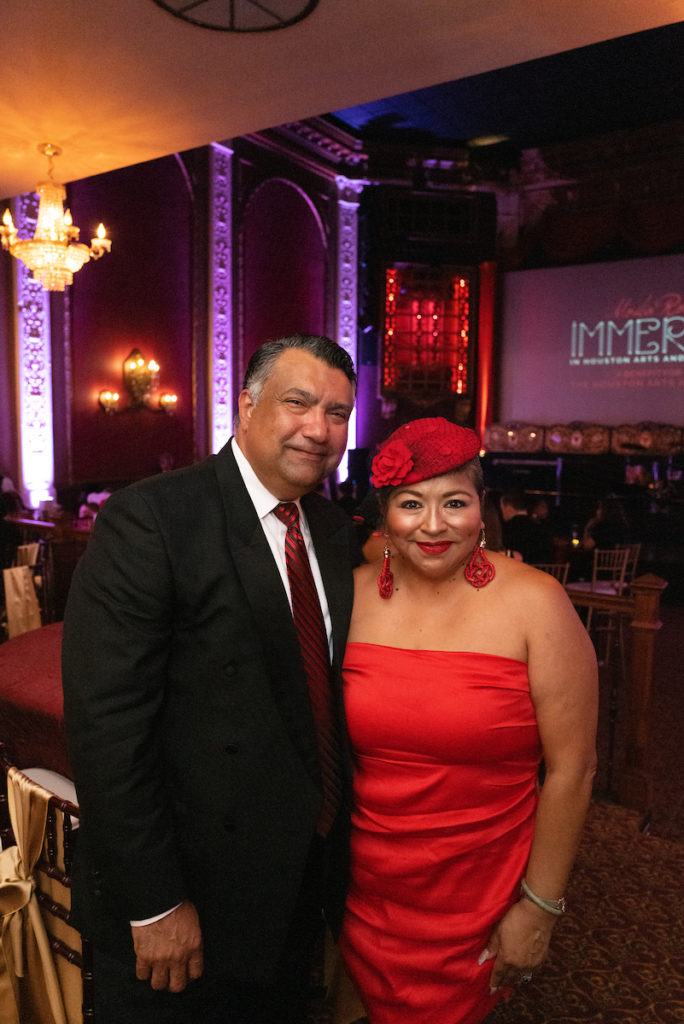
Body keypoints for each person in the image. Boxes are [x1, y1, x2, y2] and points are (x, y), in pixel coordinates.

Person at [61, 334, 358, 1024]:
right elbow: (108, 729)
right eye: (299, 403)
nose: (320, 428)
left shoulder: (333, 528)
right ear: (246, 407)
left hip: (292, 880)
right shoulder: (155, 518)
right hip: (185, 895)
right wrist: (155, 901)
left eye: (338, 413)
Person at [338, 417, 598, 1024]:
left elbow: (573, 770)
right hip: (364, 894)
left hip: (478, 898)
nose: (433, 525)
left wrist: (539, 908)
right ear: (386, 516)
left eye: (454, 502)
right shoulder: (347, 598)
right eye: (411, 504)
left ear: (482, 509)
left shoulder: (536, 602)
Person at [500, 486, 553, 563]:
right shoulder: (542, 528)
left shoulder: (507, 529)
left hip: (518, 572)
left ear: (508, 505)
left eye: (501, 506)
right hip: (543, 572)